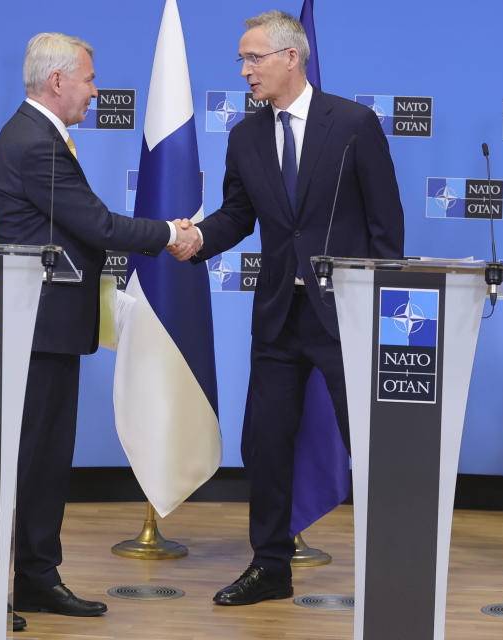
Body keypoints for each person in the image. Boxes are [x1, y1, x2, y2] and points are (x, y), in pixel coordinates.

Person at [170, 10, 404, 605]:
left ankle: (394, 564)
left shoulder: (353, 123)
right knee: (264, 442)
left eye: (254, 58)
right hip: (279, 316)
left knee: (372, 443)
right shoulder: (246, 135)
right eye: (243, 60)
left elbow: (386, 226)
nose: (245, 70)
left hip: (345, 318)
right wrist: (196, 238)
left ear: (290, 58)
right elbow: (236, 216)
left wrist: (378, 312)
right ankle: (270, 566)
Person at [0, 32, 201, 629]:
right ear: (58, 82)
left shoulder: (37, 136)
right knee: (33, 462)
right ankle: (11, 586)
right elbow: (98, 224)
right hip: (40, 331)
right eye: (88, 78)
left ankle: (35, 579)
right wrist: (170, 234)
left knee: (45, 461)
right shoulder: (36, 143)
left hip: (48, 328)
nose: (95, 89)